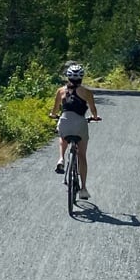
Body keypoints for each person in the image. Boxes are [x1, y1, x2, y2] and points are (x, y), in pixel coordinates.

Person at [49, 63, 100, 200]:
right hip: (80, 124)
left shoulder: (60, 91)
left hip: (65, 122)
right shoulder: (87, 92)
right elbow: (93, 110)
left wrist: (53, 115)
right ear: (82, 78)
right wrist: (95, 117)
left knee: (62, 135)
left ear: (68, 77)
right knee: (82, 155)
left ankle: (61, 158)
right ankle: (83, 188)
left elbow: (54, 110)